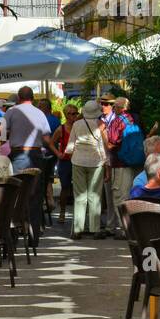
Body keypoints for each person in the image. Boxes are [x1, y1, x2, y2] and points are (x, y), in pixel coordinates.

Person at [1, 87, 57, 243]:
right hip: (36, 155)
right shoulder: (40, 113)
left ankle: (13, 234)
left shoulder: (11, 111)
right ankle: (33, 237)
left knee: (16, 194)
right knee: (35, 195)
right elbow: (46, 138)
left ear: (19, 97)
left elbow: (1, 133)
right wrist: (56, 152)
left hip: (18, 155)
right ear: (33, 98)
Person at [66, 99, 108, 239]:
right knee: (95, 195)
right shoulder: (100, 124)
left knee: (79, 195)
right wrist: (105, 162)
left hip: (78, 161)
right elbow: (102, 146)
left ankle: (78, 229)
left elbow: (71, 145)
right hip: (96, 162)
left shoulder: (77, 124)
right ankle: (95, 229)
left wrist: (73, 153)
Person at [103, 95, 145, 236]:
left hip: (120, 163)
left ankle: (123, 228)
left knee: (119, 196)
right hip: (136, 162)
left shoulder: (117, 121)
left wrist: (104, 144)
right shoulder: (135, 119)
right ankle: (132, 226)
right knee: (130, 194)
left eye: (114, 106)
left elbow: (112, 142)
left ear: (119, 108)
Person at [51, 103, 79, 223]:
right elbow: (51, 143)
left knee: (78, 189)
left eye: (75, 113)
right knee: (65, 187)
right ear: (65, 115)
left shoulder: (79, 127)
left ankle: (78, 215)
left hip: (78, 161)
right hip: (65, 161)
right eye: (70, 113)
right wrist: (58, 153)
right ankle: (62, 212)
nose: (73, 116)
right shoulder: (61, 129)